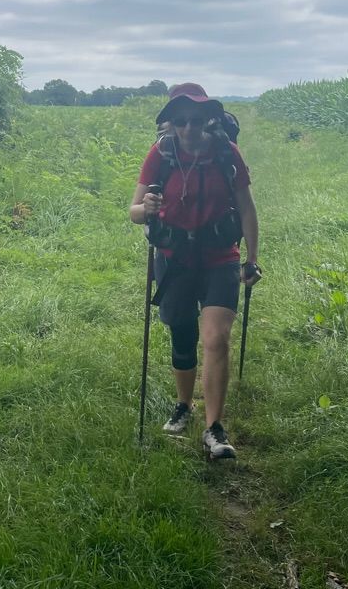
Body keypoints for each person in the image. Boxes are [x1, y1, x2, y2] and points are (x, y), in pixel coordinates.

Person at [128, 83, 261, 459]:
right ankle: (184, 405)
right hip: (176, 259)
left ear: (208, 121)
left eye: (197, 120)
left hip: (220, 256)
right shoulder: (160, 155)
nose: (189, 128)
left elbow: (247, 208)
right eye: (182, 121)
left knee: (216, 338)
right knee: (182, 336)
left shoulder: (226, 153)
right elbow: (133, 212)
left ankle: (214, 428)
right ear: (172, 123)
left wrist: (252, 259)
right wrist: (148, 207)